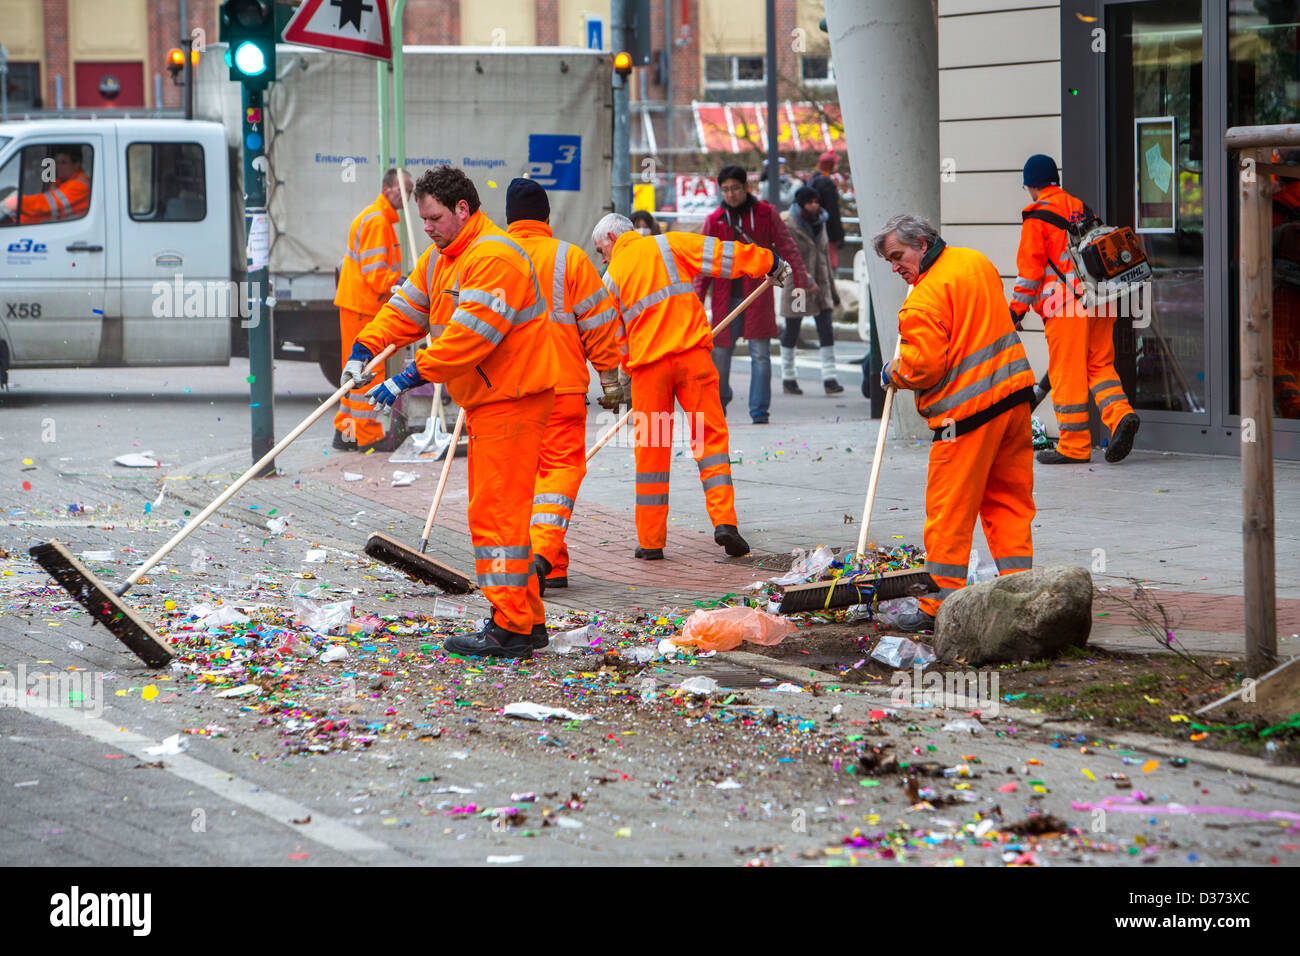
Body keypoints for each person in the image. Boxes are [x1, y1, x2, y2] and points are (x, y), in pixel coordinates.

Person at [350, 166, 558, 659]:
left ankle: (509, 627)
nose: (426, 228)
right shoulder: (444, 257)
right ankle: (525, 620)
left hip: (513, 398)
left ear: (463, 210)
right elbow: (406, 306)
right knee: (497, 514)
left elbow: (469, 338)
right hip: (493, 399)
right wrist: (365, 346)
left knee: (496, 517)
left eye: (434, 218)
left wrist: (406, 376)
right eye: (422, 219)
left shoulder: (494, 257)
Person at [592, 212, 791, 561]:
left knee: (651, 453)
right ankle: (725, 522)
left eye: (600, 250)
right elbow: (724, 255)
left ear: (611, 237)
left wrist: (620, 375)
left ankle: (651, 542)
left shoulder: (611, 279)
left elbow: (611, 337)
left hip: (648, 372)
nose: (602, 257)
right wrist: (769, 261)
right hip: (693, 359)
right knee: (709, 440)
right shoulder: (670, 245)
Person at [874, 214, 1036, 633]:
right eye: (890, 261)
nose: (895, 267)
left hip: (965, 419)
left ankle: (936, 605)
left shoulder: (922, 300)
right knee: (1009, 504)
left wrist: (894, 372)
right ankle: (1021, 592)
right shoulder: (975, 261)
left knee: (949, 512)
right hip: (1016, 401)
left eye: (898, 256)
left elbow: (924, 367)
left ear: (923, 244)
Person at [503, 178, 625, 594]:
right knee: (557, 472)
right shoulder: (569, 259)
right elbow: (598, 322)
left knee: (524, 480)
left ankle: (551, 567)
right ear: (547, 217)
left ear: (508, 218)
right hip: (562, 388)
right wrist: (609, 378)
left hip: (508, 394)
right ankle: (541, 556)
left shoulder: (493, 258)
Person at [1011, 153, 1141, 464]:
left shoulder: (1036, 216)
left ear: (1031, 185)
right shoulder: (1081, 207)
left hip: (1066, 307)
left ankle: (1073, 446)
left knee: (1065, 372)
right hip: (1100, 300)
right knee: (1099, 366)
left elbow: (1030, 273)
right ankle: (1121, 415)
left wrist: (1016, 311)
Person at [696, 164, 807, 424]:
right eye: (725, 190)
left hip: (758, 294)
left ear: (747, 187)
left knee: (761, 354)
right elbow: (704, 264)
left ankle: (759, 411)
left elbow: (787, 247)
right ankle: (721, 401)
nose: (731, 194)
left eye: (735, 188)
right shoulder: (714, 220)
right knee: (720, 353)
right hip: (725, 297)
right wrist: (696, 299)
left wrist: (799, 280)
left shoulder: (766, 213)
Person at [332, 168, 411, 451]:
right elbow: (376, 275)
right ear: (387, 188)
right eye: (404, 189)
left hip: (357, 305)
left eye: (411, 190)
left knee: (352, 370)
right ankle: (366, 435)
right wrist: (401, 283)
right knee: (366, 370)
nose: (408, 196)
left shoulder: (377, 218)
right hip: (363, 307)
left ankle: (346, 432)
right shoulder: (378, 222)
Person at [780, 186, 843, 395]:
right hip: (798, 285)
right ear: (801, 204)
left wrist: (831, 290)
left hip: (821, 285)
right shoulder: (789, 222)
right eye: (810, 202)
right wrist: (806, 280)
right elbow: (788, 255)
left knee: (826, 328)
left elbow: (824, 256)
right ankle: (788, 377)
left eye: (816, 201)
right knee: (793, 329)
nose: (814, 205)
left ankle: (830, 378)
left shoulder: (821, 221)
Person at [1, 145, 91, 222]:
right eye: (57, 162)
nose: (58, 166)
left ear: (77, 165)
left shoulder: (80, 185)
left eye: (64, 162)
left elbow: (45, 204)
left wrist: (17, 202)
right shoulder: (61, 182)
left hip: (68, 233)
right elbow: (41, 215)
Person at [807, 150, 846, 289]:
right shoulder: (827, 183)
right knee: (830, 264)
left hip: (814, 230)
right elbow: (833, 212)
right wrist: (839, 234)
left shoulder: (812, 180)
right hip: (828, 231)